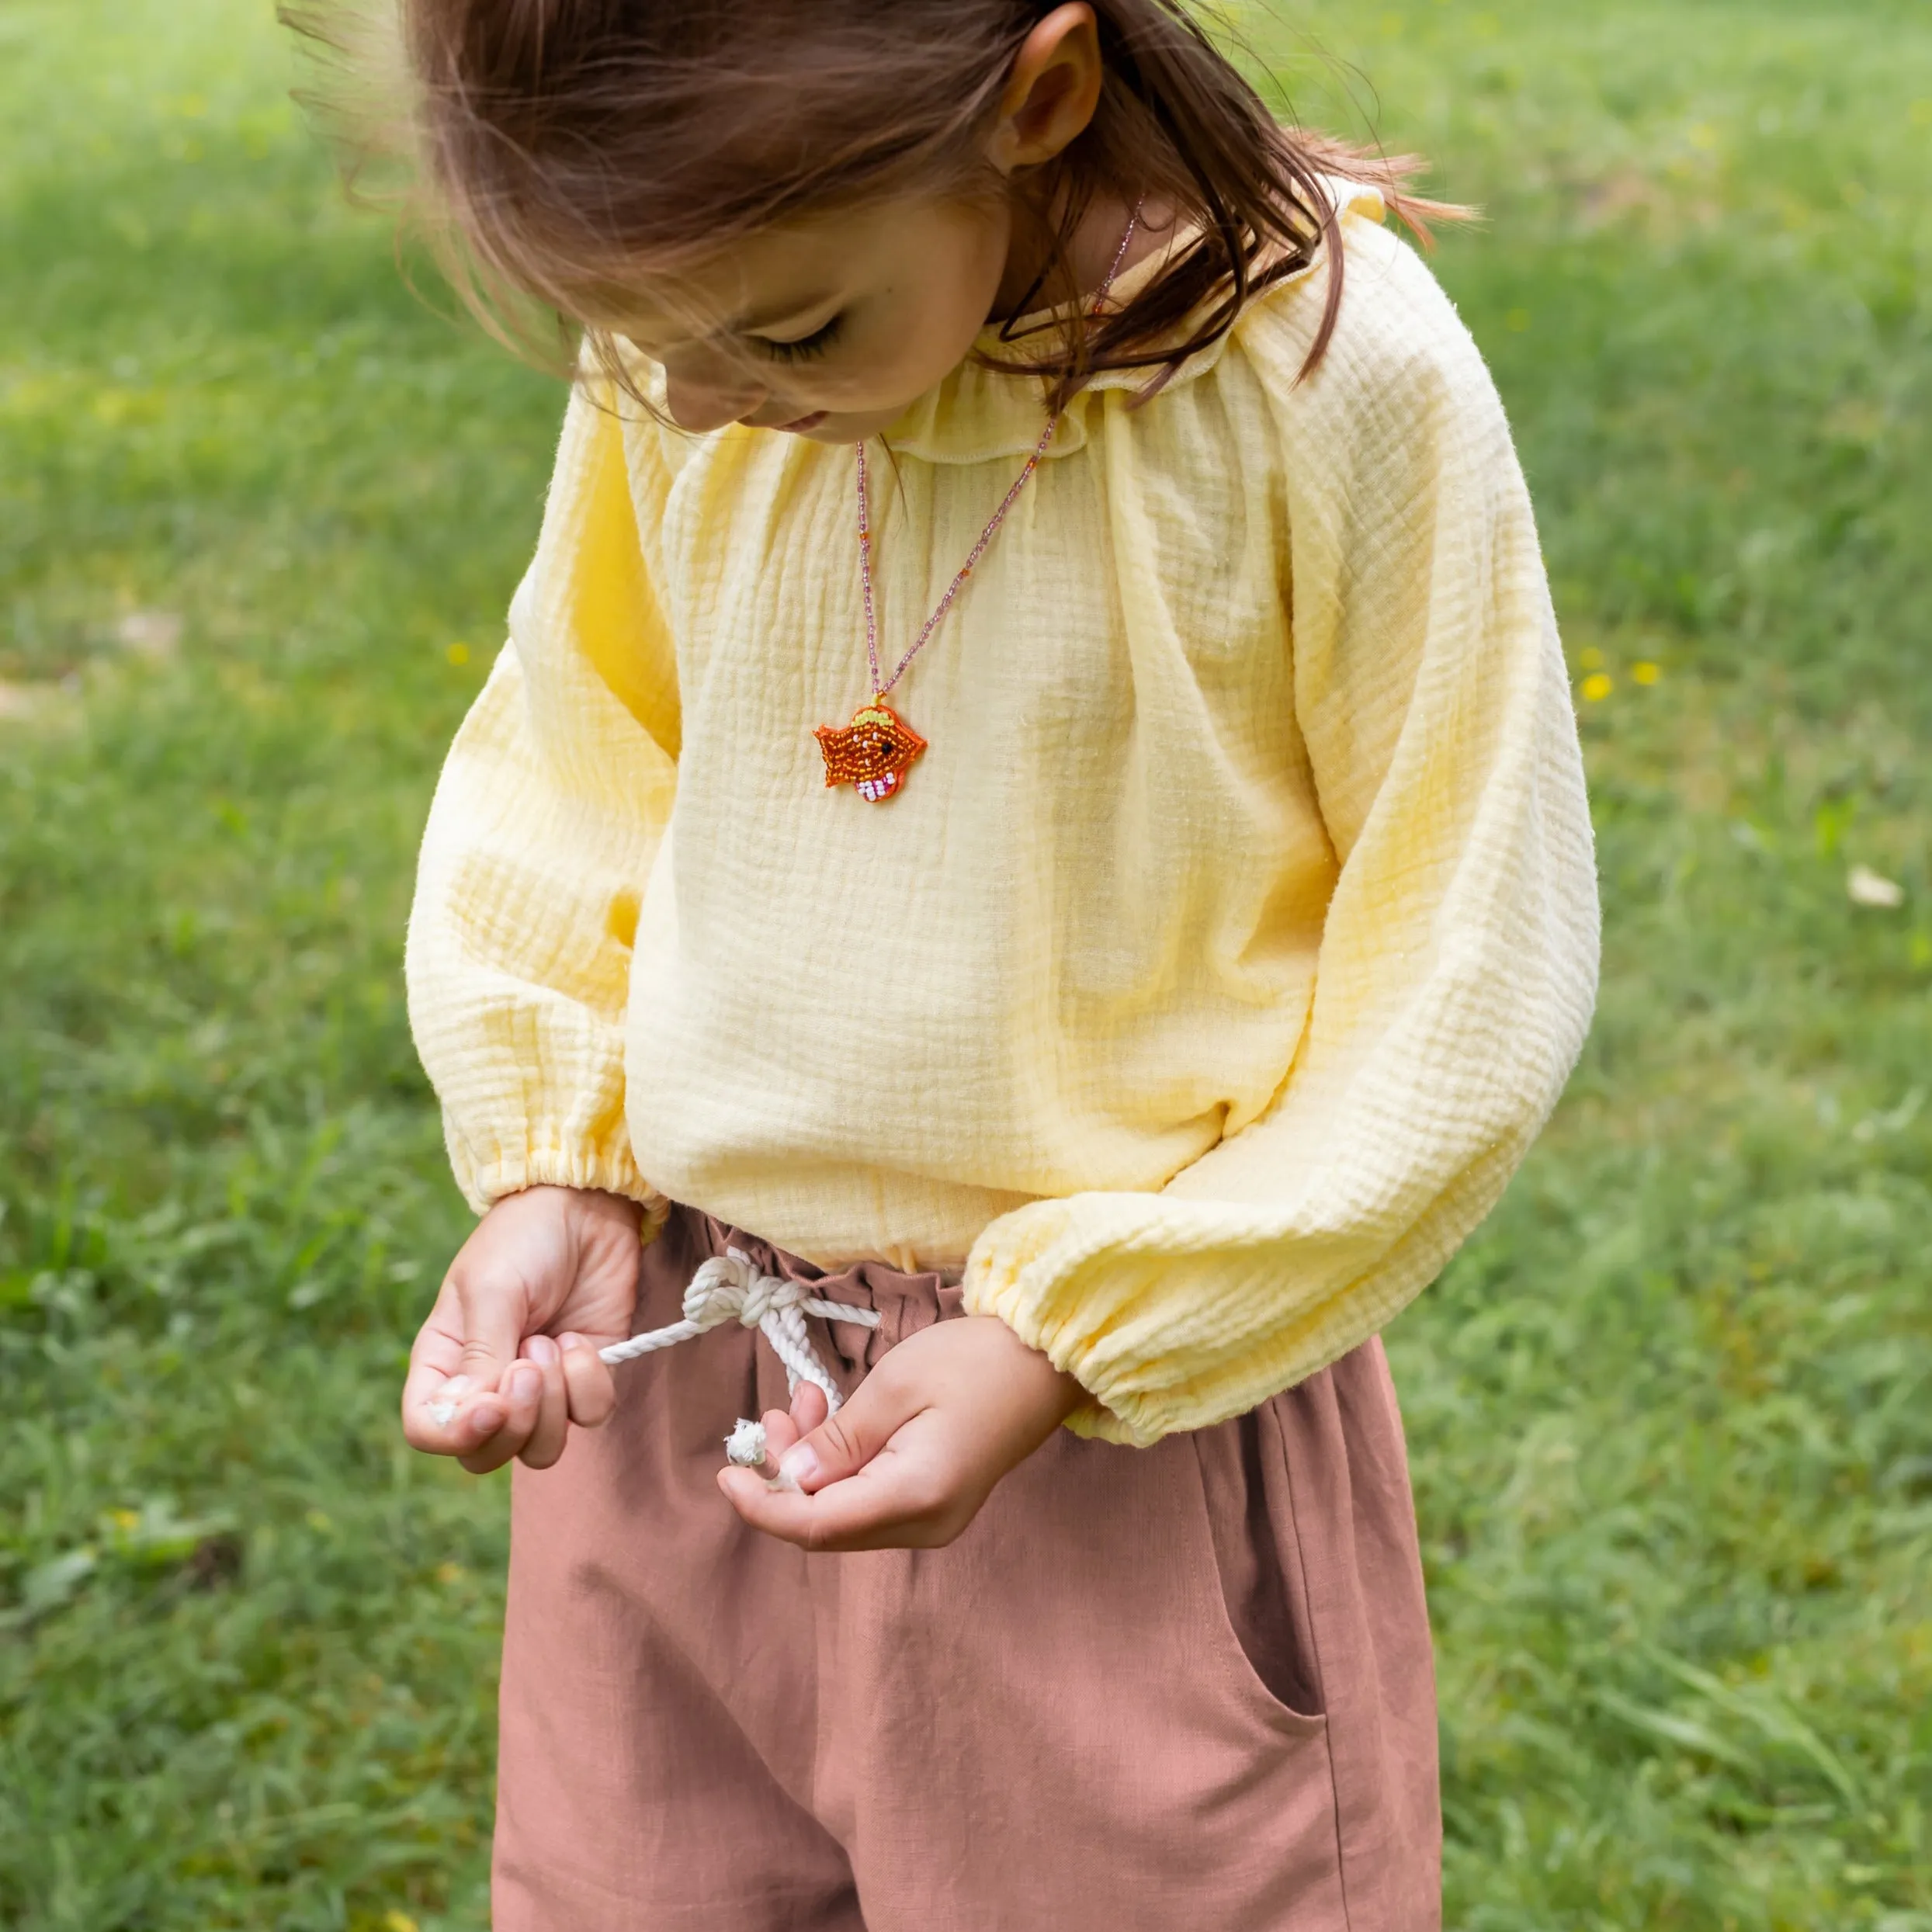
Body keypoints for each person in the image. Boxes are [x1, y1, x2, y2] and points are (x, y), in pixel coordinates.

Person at [301, 0, 1601, 1923]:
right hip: (688, 1403)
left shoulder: (1327, 378)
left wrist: (1078, 1329)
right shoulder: (695, 339)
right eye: (649, 350)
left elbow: (1460, 963)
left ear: (1038, 99)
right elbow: (580, 755)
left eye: (793, 331)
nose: (708, 406)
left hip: (1103, 1464)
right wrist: (563, 1166)